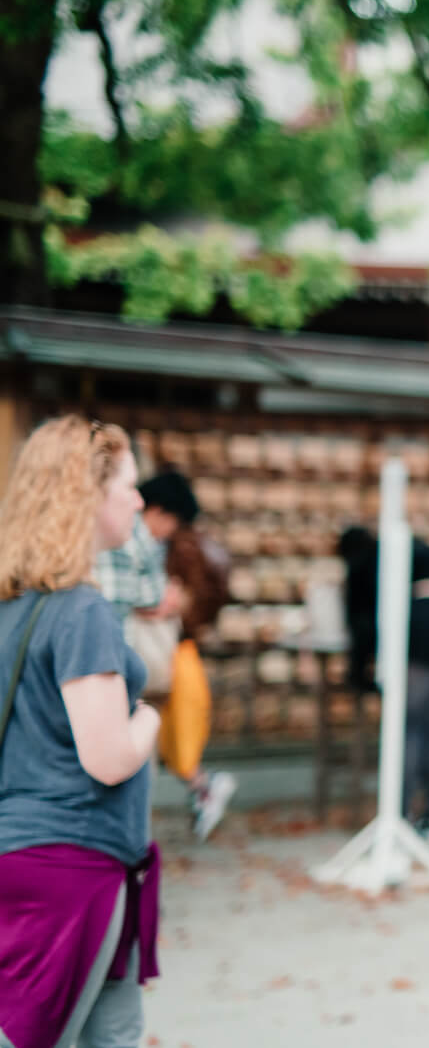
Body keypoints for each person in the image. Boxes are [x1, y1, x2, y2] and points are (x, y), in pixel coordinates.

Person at [0, 416, 163, 1048]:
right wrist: (147, 718)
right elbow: (109, 759)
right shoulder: (83, 611)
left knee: (112, 1032)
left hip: (37, 856)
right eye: (128, 483)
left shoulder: (14, 609)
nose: (139, 499)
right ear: (88, 495)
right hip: (73, 866)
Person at [94, 470, 236, 841]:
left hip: (130, 669)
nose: (136, 501)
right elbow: (149, 598)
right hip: (124, 667)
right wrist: (163, 601)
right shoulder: (129, 540)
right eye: (127, 489)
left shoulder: (138, 540)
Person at [339, 527, 429, 847]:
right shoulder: (420, 548)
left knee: (409, 728)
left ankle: (399, 816)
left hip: (420, 629)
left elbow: (361, 623)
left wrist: (359, 674)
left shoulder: (366, 561)